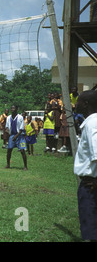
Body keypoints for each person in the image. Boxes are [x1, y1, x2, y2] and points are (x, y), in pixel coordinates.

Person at [73, 90, 97, 241]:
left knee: (90, 226)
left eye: (79, 101)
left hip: (91, 185)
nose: (75, 104)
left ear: (86, 104)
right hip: (91, 182)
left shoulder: (92, 124)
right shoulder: (90, 123)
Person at [4, 105, 28, 170]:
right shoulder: (8, 117)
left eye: (13, 108)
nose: (12, 109)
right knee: (9, 150)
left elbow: (21, 129)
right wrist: (7, 130)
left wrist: (16, 136)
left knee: (22, 150)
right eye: (11, 108)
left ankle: (25, 166)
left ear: (17, 109)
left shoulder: (20, 117)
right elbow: (7, 126)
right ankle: (8, 164)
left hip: (20, 136)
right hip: (12, 135)